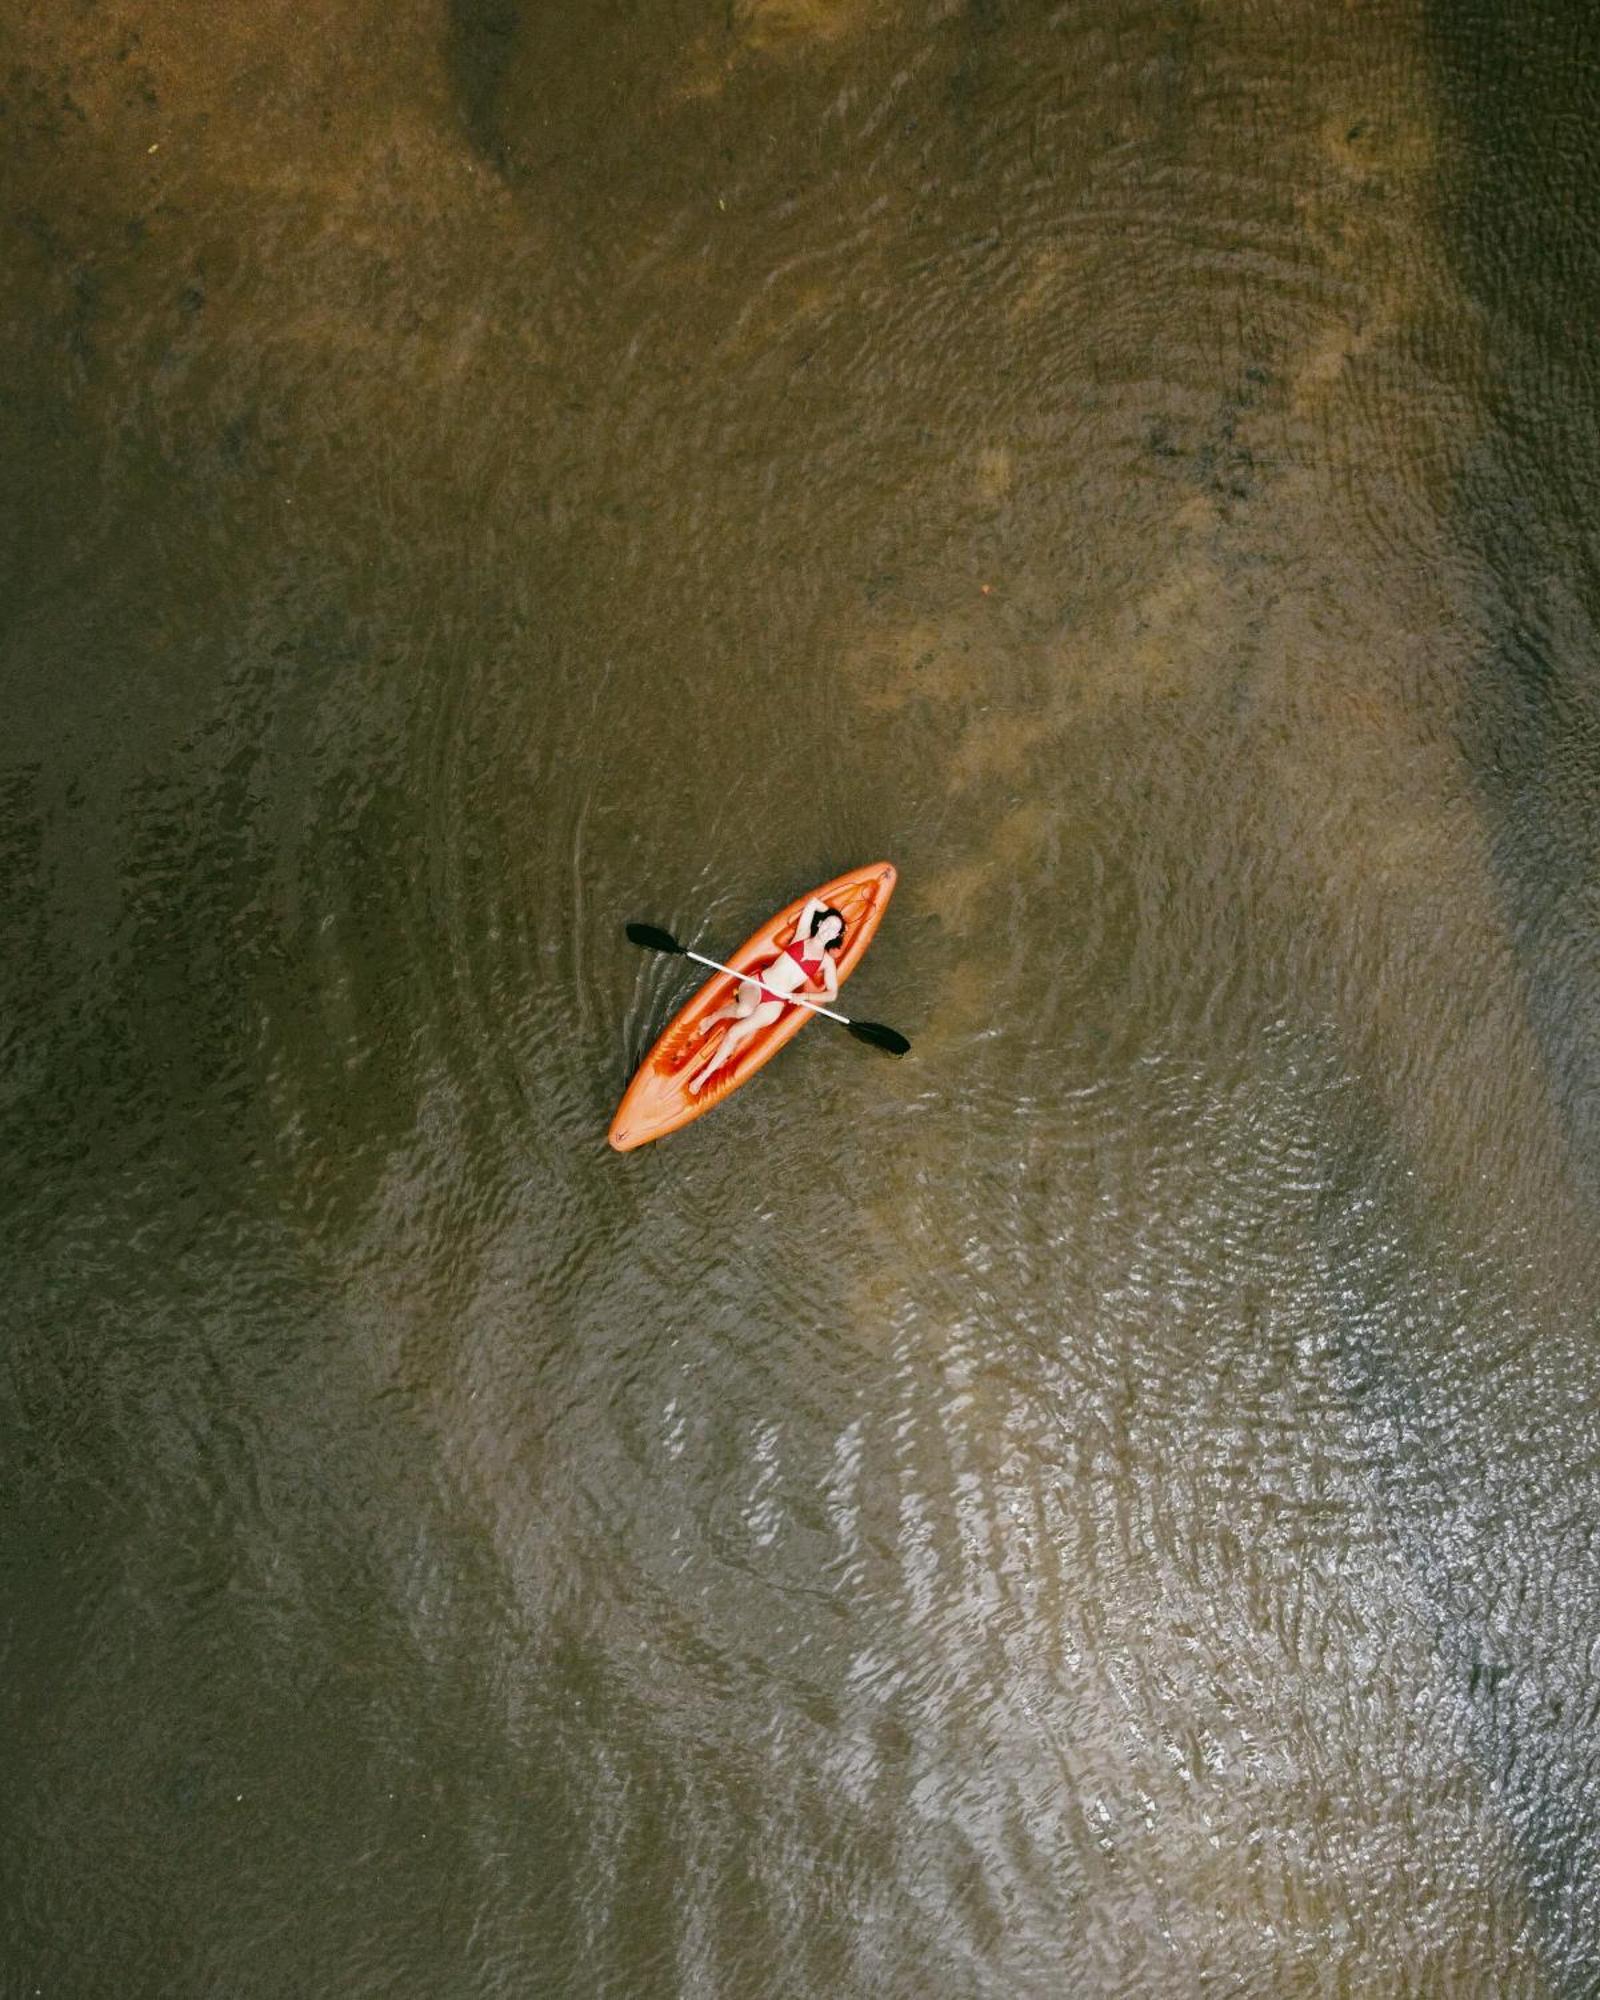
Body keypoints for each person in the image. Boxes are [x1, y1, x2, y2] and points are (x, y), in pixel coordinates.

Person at [684, 900, 846, 1096]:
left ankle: (703, 1077)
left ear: (837, 936)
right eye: (827, 924)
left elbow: (832, 993)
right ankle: (713, 1018)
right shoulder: (802, 935)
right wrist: (830, 912)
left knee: (735, 1033)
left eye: (834, 929)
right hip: (758, 984)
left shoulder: (826, 963)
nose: (829, 929)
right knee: (744, 1010)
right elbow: (812, 904)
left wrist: (805, 995)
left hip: (775, 1002)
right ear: (819, 924)